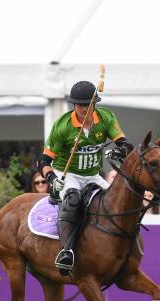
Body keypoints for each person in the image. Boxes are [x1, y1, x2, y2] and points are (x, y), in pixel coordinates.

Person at [37, 81, 134, 274]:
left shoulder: (105, 117)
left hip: (92, 175)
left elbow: (125, 144)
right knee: (73, 199)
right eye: (80, 105)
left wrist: (119, 151)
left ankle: (125, 246)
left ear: (94, 104)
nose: (84, 109)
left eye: (88, 105)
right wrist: (52, 180)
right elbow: (43, 162)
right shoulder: (63, 126)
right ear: (74, 105)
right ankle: (67, 252)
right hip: (68, 174)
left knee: (117, 201)